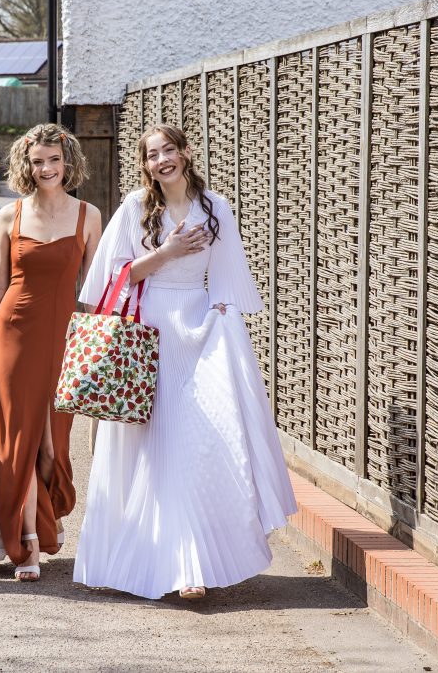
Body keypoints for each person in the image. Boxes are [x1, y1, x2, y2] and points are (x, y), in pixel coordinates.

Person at [73, 124, 297, 600]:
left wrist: (222, 312)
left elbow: (228, 277)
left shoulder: (216, 207)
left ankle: (192, 563)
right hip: (149, 337)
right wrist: (166, 251)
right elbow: (114, 278)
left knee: (195, 446)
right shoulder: (135, 208)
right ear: (146, 164)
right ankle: (157, 561)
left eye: (168, 150)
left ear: (186, 153)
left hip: (199, 332)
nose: (161, 161)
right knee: (154, 450)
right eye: (152, 155)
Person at [0, 123, 101, 581]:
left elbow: (94, 289)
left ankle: (47, 517)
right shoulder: (10, 215)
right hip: (13, 335)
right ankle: (28, 544)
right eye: (38, 161)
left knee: (50, 445)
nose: (46, 169)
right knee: (16, 440)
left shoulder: (88, 216)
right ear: (27, 164)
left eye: (54, 160)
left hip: (64, 340)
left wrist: (95, 343)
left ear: (68, 162)